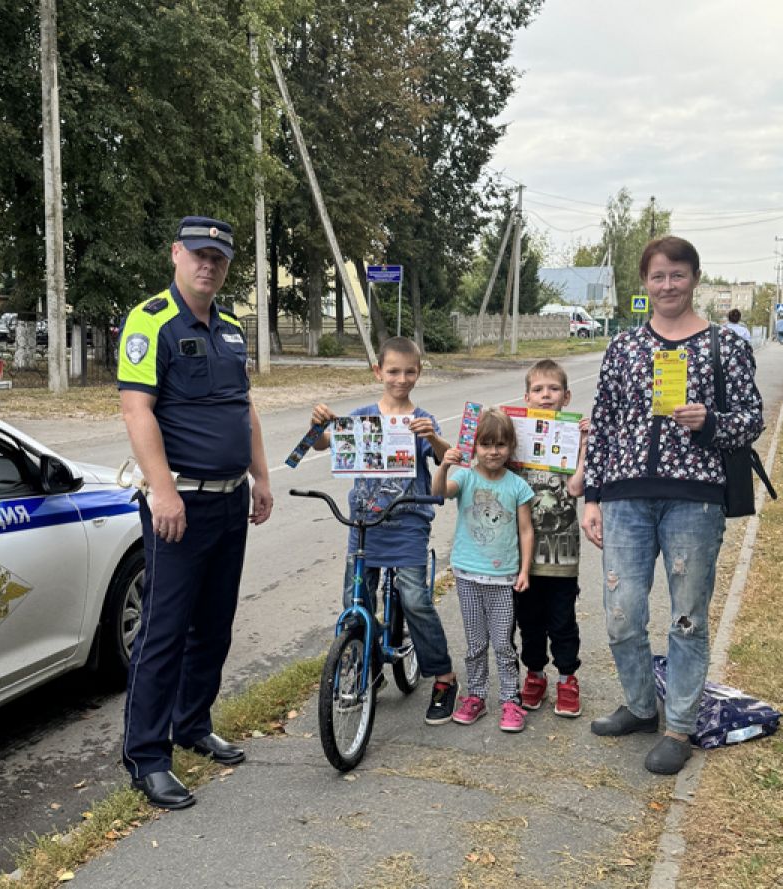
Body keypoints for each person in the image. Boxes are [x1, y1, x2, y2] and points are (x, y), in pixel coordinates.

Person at [580, 236, 763, 775]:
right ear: (645, 283)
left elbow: (751, 420)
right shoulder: (625, 347)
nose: (667, 286)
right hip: (625, 498)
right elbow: (606, 423)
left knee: (686, 619)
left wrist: (709, 423)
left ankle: (679, 725)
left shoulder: (724, 346)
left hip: (694, 501)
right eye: (658, 276)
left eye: (677, 276)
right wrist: (592, 495)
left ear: (695, 279)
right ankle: (640, 706)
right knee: (621, 616)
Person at [117, 216, 274, 810]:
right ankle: (148, 757)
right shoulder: (150, 320)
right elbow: (138, 412)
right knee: (162, 633)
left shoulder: (232, 329)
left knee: (214, 625)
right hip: (178, 505)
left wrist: (260, 477)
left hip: (231, 499)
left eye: (220, 258)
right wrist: (163, 491)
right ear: (176, 253)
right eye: (200, 254)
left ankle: (192, 724)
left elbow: (246, 409)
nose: (209, 265)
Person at [309, 337, 459, 724]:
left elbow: (446, 458)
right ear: (378, 372)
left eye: (409, 371)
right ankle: (369, 663)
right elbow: (324, 444)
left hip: (408, 523)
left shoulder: (422, 419)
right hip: (364, 524)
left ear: (419, 373)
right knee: (355, 601)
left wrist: (432, 438)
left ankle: (443, 677)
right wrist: (319, 425)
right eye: (393, 371)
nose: (401, 378)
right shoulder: (361, 417)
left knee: (414, 598)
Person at [433, 409, 536, 732]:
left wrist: (524, 570)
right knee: (476, 643)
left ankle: (510, 700)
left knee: (504, 644)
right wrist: (445, 464)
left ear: (511, 447)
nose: (494, 451)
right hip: (467, 576)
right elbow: (439, 493)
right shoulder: (465, 477)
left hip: (503, 579)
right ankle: (476, 695)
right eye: (486, 444)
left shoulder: (517, 486)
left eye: (501, 444)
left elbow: (525, 530)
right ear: (474, 445)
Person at [512, 360, 589, 718]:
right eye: (538, 390)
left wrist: (585, 445)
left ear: (566, 396)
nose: (546, 396)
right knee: (528, 619)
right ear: (526, 397)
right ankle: (535, 674)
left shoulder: (572, 437)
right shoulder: (517, 438)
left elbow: (575, 487)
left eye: (553, 389)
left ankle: (568, 678)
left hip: (561, 551)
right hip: (522, 553)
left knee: (561, 618)